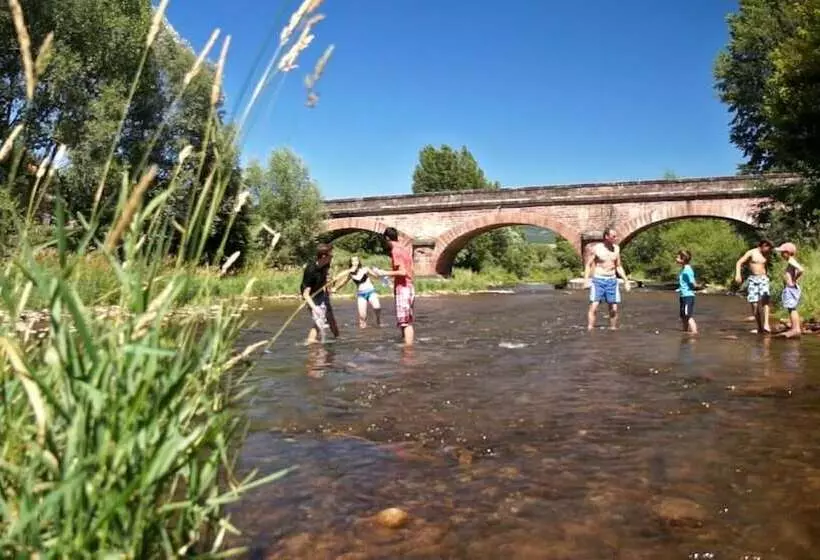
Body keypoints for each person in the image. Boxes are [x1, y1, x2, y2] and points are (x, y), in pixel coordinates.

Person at [583, 227, 631, 330]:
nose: (616, 238)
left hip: (612, 280)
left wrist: (626, 281)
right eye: (613, 236)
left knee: (613, 308)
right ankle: (590, 329)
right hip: (598, 280)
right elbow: (588, 264)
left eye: (616, 236)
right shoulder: (596, 248)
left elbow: (618, 266)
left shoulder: (616, 249)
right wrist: (586, 280)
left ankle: (613, 329)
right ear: (606, 236)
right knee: (594, 306)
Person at [375, 227, 415, 345]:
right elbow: (409, 270)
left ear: (387, 238)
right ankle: (406, 347)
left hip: (403, 288)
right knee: (405, 321)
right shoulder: (404, 249)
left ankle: (408, 351)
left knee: (405, 322)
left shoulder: (395, 251)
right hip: (408, 286)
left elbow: (403, 272)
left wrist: (383, 273)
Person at [300, 243, 339, 344]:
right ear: (323, 256)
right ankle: (310, 343)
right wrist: (315, 308)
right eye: (331, 255)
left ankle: (337, 339)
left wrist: (329, 288)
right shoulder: (310, 270)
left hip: (322, 293)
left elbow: (325, 277)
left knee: (330, 318)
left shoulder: (326, 263)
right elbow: (305, 294)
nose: (332, 257)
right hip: (311, 296)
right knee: (319, 321)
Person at [735, 239, 774, 334]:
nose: (768, 250)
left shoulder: (767, 254)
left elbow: (766, 265)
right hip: (753, 279)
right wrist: (738, 275)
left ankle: (766, 324)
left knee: (765, 300)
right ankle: (760, 326)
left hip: (763, 278)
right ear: (763, 245)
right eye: (767, 248)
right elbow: (739, 262)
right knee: (754, 303)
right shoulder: (751, 252)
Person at [334, 255, 382, 328]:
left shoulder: (365, 269)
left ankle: (378, 320)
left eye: (356, 260)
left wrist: (377, 273)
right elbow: (343, 282)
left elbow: (376, 277)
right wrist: (336, 288)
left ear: (359, 262)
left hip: (371, 292)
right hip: (361, 295)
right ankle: (363, 331)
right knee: (362, 317)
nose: (355, 262)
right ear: (351, 263)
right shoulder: (351, 274)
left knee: (377, 307)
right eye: (353, 261)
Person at [775, 242, 804, 338]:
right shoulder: (790, 261)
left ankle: (796, 329)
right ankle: (794, 327)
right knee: (791, 308)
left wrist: (794, 279)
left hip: (791, 288)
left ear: (787, 252)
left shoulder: (791, 260)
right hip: (790, 288)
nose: (781, 254)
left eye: (782, 252)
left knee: (792, 308)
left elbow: (801, 269)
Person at [676, 250, 698, 335]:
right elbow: (684, 282)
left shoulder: (687, 269)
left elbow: (693, 283)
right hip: (683, 296)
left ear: (683, 259)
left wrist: (697, 287)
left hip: (688, 296)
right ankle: (685, 332)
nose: (676, 258)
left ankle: (694, 333)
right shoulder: (683, 269)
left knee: (688, 315)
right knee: (683, 316)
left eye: (678, 257)